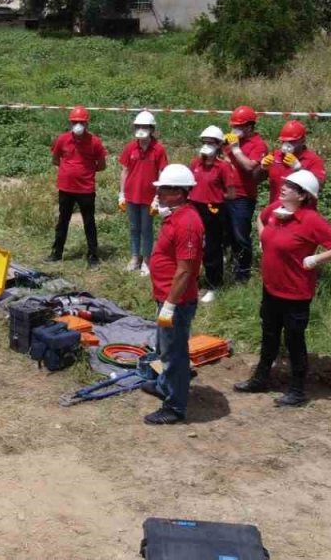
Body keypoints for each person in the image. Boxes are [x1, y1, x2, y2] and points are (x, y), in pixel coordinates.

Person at [235, 170, 331, 407]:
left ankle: (297, 391)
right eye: (285, 183)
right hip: (271, 288)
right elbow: (260, 218)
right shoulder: (276, 210)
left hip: (295, 293)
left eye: (290, 186)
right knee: (269, 335)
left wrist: (316, 259)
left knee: (294, 340)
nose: (283, 187)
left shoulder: (311, 220)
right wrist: (265, 239)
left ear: (302, 195)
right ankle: (260, 379)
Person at [142, 165, 204, 426]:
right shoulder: (175, 216)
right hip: (166, 296)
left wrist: (170, 305)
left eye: (163, 189)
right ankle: (164, 385)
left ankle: (175, 407)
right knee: (164, 347)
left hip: (176, 301)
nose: (158, 193)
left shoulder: (188, 223)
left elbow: (185, 269)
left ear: (179, 192)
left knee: (175, 354)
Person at [50, 106, 107, 266]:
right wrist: (68, 170)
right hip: (66, 188)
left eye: (81, 122)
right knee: (63, 221)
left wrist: (86, 171)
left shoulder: (95, 142)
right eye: (75, 122)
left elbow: (102, 165)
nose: (78, 125)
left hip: (86, 189)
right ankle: (56, 253)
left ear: (87, 124)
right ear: (70, 123)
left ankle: (93, 256)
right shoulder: (62, 139)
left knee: (89, 222)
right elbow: (55, 159)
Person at [188, 126, 236, 304]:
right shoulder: (195, 164)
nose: (207, 145)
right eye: (205, 142)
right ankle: (191, 281)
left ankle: (213, 284)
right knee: (192, 246)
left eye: (211, 142)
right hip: (194, 207)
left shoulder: (223, 167)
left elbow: (231, 193)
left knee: (212, 249)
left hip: (214, 210)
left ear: (219, 145)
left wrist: (215, 197)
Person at [223, 106, 268, 283]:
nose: (235, 129)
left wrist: (236, 149)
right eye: (233, 126)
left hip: (243, 196)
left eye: (239, 126)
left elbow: (250, 166)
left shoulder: (258, 144)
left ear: (249, 127)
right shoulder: (231, 141)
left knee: (240, 235)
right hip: (225, 193)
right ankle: (229, 265)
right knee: (226, 233)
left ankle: (243, 273)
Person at [118, 110, 167, 275]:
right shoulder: (130, 147)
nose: (141, 129)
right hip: (131, 195)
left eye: (144, 126)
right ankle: (134, 258)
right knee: (134, 228)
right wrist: (121, 194)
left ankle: (146, 260)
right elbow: (124, 171)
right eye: (138, 126)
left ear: (152, 129)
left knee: (146, 229)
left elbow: (162, 173)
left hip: (149, 198)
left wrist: (158, 197)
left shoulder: (158, 149)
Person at [260, 120, 325, 207]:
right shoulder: (275, 155)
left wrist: (299, 170)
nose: (287, 145)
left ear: (303, 140)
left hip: (302, 211)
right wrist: (262, 168)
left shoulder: (313, 160)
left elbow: (319, 186)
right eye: (284, 141)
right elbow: (257, 179)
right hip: (277, 208)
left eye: (292, 142)